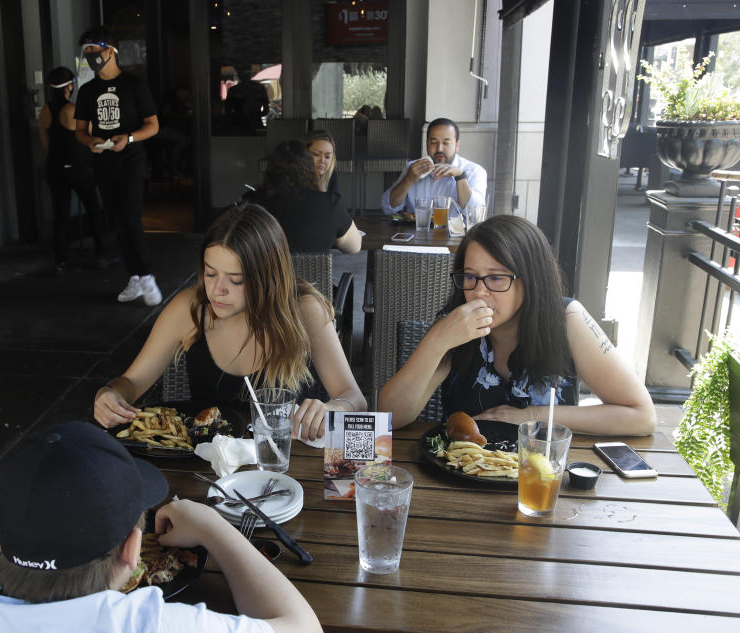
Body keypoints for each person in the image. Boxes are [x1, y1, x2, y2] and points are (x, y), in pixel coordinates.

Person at [0, 421, 324, 633]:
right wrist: (211, 525)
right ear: (133, 551)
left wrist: (29, 514)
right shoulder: (140, 627)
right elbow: (305, 631)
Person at [94, 203, 366, 441]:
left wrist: (334, 408)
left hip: (287, 465)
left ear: (268, 278)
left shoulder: (304, 309)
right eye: (211, 274)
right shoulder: (191, 309)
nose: (217, 290)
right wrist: (109, 394)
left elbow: (354, 397)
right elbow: (131, 382)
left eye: (235, 280)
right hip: (208, 468)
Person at [378, 215, 656, 436]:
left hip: (540, 476)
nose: (479, 292)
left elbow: (641, 415)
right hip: (461, 474)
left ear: (530, 280)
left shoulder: (567, 320)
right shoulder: (455, 326)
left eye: (496, 278)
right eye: (470, 277)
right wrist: (438, 340)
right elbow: (391, 417)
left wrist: (530, 416)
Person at [74, 27, 162, 306]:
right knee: (117, 221)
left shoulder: (135, 85)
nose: (90, 56)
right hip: (103, 161)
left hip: (131, 158)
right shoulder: (87, 90)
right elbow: (79, 130)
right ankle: (135, 276)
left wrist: (130, 137)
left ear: (111, 50)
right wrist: (89, 140)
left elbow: (153, 126)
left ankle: (147, 275)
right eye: (86, 51)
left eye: (94, 49)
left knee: (131, 215)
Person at [38, 66, 112, 274]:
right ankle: (102, 255)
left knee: (60, 215)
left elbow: (46, 142)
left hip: (54, 168)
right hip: (77, 167)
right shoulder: (71, 110)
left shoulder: (45, 110)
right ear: (70, 86)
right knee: (94, 209)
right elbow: (90, 136)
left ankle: (61, 261)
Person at [246, 140, 359, 254]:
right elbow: (354, 247)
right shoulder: (329, 203)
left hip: (266, 271)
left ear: (270, 168)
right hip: (315, 271)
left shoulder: (251, 202)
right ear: (309, 168)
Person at [381, 117, 487, 216]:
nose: (439, 148)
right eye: (433, 142)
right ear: (427, 144)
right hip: (418, 233)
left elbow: (476, 214)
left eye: (446, 143)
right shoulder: (414, 168)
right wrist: (408, 179)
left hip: (457, 235)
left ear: (457, 145)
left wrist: (460, 177)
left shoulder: (474, 171)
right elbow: (388, 207)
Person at [304, 129, 339, 195]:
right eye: (316, 154)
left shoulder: (332, 176)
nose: (322, 161)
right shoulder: (294, 179)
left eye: (327, 157)